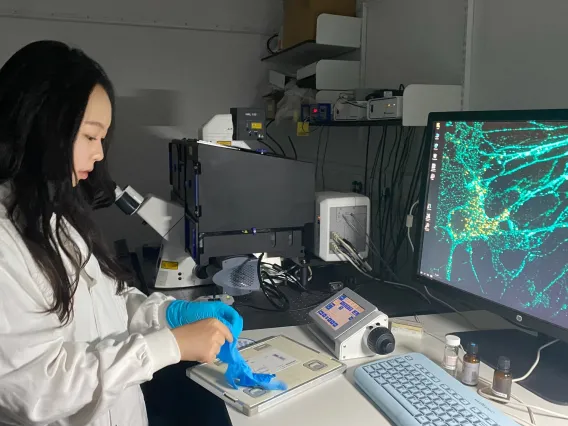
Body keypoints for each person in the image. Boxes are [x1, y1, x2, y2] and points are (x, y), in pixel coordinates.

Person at [0, 40, 240, 425]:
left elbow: (109, 304)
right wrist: (169, 346)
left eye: (102, 139)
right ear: (38, 126)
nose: (98, 156)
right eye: (90, 136)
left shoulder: (56, 218)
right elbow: (36, 388)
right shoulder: (5, 244)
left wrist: (171, 314)